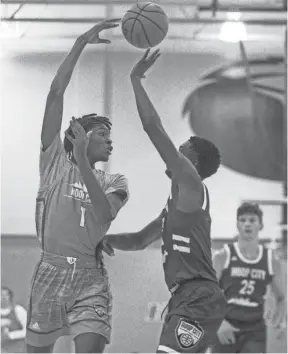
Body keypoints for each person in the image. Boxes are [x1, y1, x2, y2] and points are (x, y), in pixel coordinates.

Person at [26, 19, 129, 354]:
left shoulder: (115, 182)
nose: (110, 143)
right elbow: (56, 92)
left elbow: (103, 214)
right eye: (103, 135)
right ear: (77, 136)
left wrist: (85, 161)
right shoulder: (53, 159)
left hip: (90, 278)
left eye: (110, 138)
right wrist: (81, 41)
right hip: (49, 272)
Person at [114, 48, 226, 353]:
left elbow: (152, 127)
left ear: (191, 163)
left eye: (180, 151)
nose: (173, 154)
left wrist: (135, 79)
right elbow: (138, 240)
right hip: (185, 296)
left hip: (198, 296)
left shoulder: (191, 184)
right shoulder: (173, 207)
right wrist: (100, 240)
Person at [212, 202, 286, 353]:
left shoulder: (271, 260)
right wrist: (219, 323)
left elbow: (281, 298)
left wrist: (281, 321)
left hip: (255, 330)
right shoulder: (223, 256)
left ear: (260, 225)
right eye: (242, 220)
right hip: (227, 324)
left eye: (252, 220)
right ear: (237, 225)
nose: (247, 224)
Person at [1, 286, 27, 353]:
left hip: (18, 350)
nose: (3, 297)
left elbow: (29, 330)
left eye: (6, 295)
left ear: (10, 297)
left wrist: (10, 335)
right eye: (1, 295)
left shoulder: (18, 309)